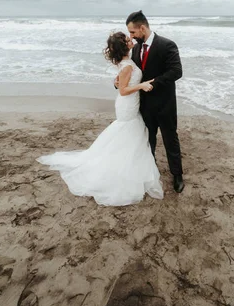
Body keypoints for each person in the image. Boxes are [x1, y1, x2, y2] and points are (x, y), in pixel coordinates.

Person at [36, 32, 164, 206]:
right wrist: (141, 85)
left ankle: (125, 165)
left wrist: (125, 82)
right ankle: (120, 168)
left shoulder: (127, 62)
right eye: (127, 39)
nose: (131, 39)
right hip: (127, 103)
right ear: (124, 46)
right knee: (128, 131)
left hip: (130, 103)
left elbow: (121, 83)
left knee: (129, 133)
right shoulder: (126, 66)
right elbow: (123, 90)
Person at [125, 10, 184, 193]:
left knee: (170, 139)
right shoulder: (135, 49)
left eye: (133, 32)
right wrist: (120, 82)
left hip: (165, 104)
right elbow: (133, 74)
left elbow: (176, 71)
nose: (131, 37)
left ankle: (177, 174)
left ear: (142, 28)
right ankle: (149, 172)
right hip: (145, 106)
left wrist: (153, 84)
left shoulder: (167, 45)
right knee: (148, 141)